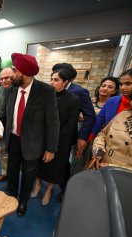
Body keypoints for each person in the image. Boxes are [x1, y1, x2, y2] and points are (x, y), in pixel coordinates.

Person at [5, 53, 59, 216]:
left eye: (14, 71)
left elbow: (53, 121)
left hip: (33, 143)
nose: (11, 75)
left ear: (25, 72)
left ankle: (23, 201)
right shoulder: (12, 90)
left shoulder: (46, 91)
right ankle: (12, 197)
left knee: (28, 175)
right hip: (13, 139)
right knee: (12, 171)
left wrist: (51, 149)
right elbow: (8, 115)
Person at [33, 69, 80, 205]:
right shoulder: (45, 96)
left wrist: (53, 140)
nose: (52, 82)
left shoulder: (73, 99)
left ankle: (49, 188)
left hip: (61, 140)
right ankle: (37, 184)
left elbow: (71, 124)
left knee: (56, 167)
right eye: (52, 79)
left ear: (65, 82)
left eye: (56, 80)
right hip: (41, 137)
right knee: (38, 163)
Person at [51, 63, 96, 201]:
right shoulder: (52, 90)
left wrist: (82, 137)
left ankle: (66, 189)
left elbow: (90, 116)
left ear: (67, 78)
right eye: (53, 75)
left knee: (64, 162)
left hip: (67, 135)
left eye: (57, 75)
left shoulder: (79, 92)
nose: (53, 80)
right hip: (52, 133)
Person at [69, 76, 120, 177]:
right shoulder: (89, 101)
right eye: (103, 85)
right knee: (77, 161)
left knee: (93, 163)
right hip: (83, 135)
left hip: (99, 139)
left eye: (110, 87)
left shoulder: (114, 106)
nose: (105, 88)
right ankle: (71, 183)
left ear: (115, 91)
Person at [90, 68, 132, 137]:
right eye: (121, 84)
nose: (123, 87)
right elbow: (98, 124)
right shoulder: (112, 101)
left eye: (128, 84)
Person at [0, 67, 14, 183]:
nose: (3, 81)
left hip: (16, 128)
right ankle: (5, 173)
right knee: (3, 152)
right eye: (1, 78)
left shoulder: (18, 90)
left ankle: (14, 173)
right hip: (2, 127)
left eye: (6, 78)